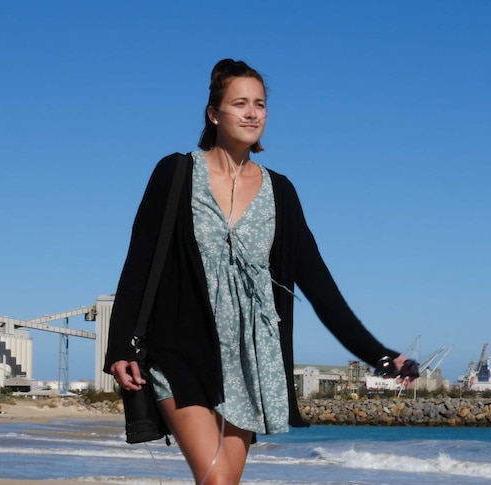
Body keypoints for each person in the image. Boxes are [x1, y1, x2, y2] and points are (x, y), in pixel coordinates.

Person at [104, 58, 415, 484]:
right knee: (215, 480)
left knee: (226, 482)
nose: (252, 113)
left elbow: (318, 283)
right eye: (240, 103)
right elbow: (139, 260)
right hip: (180, 347)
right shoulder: (175, 172)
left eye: (260, 104)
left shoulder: (280, 192)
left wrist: (377, 353)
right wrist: (120, 347)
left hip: (252, 354)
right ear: (214, 113)